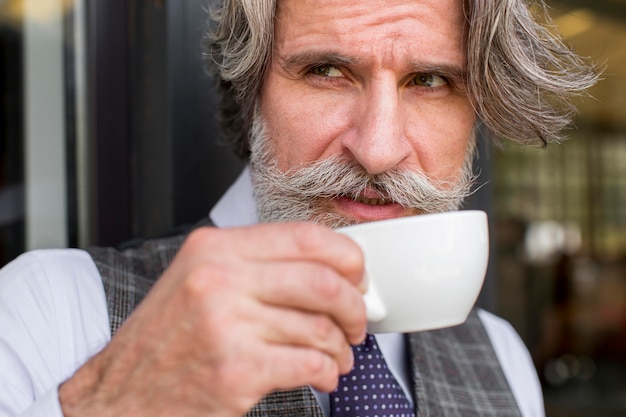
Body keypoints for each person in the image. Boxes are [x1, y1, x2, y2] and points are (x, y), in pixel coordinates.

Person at [0, 0, 598, 416]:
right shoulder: (49, 314)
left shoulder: (500, 355)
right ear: (251, 85)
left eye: (431, 82)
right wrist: (110, 405)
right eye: (327, 70)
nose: (380, 150)